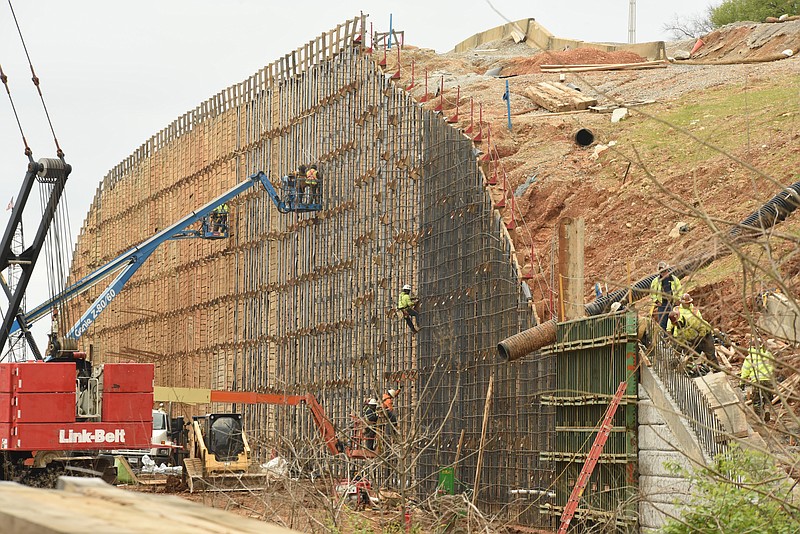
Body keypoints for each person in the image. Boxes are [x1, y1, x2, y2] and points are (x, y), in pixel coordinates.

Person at [667, 293, 715, 376]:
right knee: (691, 357)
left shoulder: (692, 319)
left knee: (710, 353)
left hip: (705, 335)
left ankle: (716, 371)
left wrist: (698, 340)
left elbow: (702, 329)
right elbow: (681, 341)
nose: (676, 326)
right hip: (693, 338)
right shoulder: (679, 329)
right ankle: (689, 371)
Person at [741, 338, 775, 421]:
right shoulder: (768, 354)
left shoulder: (749, 358)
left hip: (756, 381)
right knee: (768, 398)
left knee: (756, 401)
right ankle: (767, 410)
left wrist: (742, 382)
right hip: (768, 380)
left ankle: (760, 418)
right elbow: (774, 365)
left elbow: (745, 372)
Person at [650, 261, 682, 330]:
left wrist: (678, 300)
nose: (663, 273)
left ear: (667, 270)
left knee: (674, 322)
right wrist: (656, 301)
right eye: (662, 272)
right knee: (662, 324)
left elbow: (680, 290)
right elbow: (652, 293)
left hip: (673, 304)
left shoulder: (674, 279)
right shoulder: (656, 281)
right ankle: (664, 339)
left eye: (665, 271)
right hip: (662, 305)